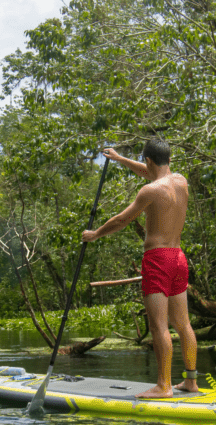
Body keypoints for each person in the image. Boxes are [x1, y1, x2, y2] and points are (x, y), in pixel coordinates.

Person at [82, 139, 199, 398]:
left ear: (147, 160)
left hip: (158, 259)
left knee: (159, 326)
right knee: (183, 324)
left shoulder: (149, 191)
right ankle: (191, 381)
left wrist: (95, 234)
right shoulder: (181, 181)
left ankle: (164, 386)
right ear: (167, 159)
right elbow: (152, 173)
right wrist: (120, 159)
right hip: (179, 258)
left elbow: (122, 219)